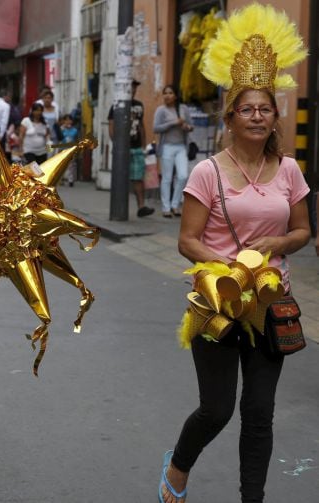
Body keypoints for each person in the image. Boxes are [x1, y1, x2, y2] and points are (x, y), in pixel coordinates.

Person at [161, 6, 310, 502]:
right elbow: (187, 240)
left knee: (260, 411)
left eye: (265, 109)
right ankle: (178, 466)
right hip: (219, 303)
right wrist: (224, 266)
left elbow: (304, 231)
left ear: (275, 118)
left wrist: (279, 243)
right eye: (247, 109)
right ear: (230, 116)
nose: (257, 116)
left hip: (272, 302)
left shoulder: (289, 171)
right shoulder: (208, 172)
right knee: (218, 409)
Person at [108, 80, 155, 218]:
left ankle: (141, 207)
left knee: (138, 178)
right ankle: (118, 208)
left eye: (134, 88)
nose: (133, 91)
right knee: (120, 178)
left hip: (136, 147)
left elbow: (141, 126)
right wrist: (116, 145)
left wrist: (143, 145)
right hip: (122, 149)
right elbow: (111, 126)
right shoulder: (117, 105)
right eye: (130, 88)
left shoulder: (139, 106)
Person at [153, 85, 193, 218]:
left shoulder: (183, 109)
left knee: (183, 176)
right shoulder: (161, 110)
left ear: (175, 96)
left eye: (170, 93)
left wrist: (185, 126)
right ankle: (166, 208)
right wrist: (173, 123)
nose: (167, 96)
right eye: (165, 93)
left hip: (181, 146)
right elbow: (156, 128)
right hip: (167, 147)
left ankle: (175, 205)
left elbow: (191, 126)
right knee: (167, 178)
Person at [60, 114, 79, 186]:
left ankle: (71, 180)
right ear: (63, 121)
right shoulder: (61, 129)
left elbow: (77, 140)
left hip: (71, 149)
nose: (68, 121)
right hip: (62, 149)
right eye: (66, 120)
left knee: (71, 165)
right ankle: (61, 179)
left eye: (69, 120)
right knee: (61, 165)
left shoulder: (75, 130)